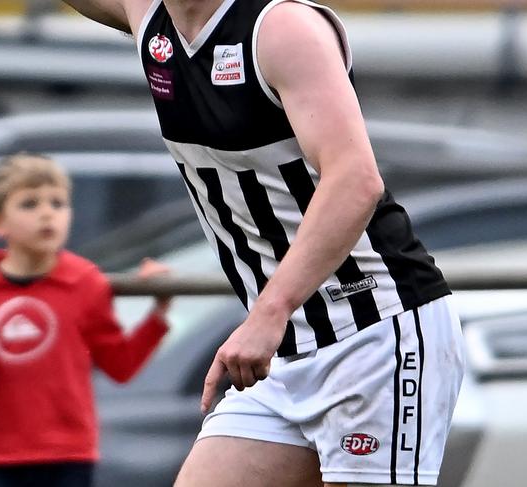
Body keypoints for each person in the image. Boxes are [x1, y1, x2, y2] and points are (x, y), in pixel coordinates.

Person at [61, 1, 466, 486]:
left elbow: (356, 180)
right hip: (283, 352)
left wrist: (269, 313)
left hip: (373, 334)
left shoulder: (281, 27)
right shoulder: (150, 17)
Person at [0, 153, 172, 487]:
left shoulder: (84, 282)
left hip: (69, 455)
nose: (47, 213)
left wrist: (159, 315)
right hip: (0, 456)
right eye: (29, 204)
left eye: (58, 202)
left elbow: (119, 365)